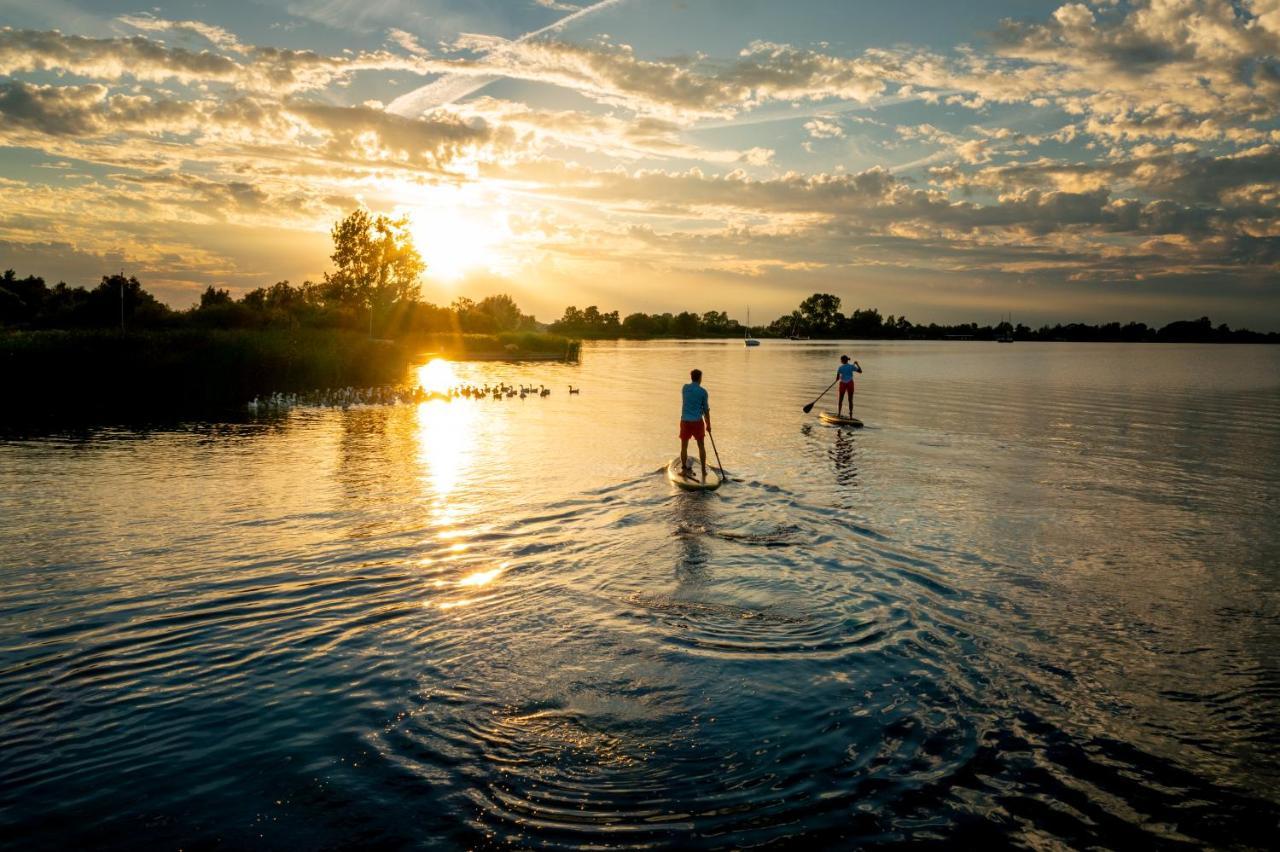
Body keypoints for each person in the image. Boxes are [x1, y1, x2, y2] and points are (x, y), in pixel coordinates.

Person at [679, 368, 711, 481]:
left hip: (685, 421)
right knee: (701, 446)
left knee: (684, 446)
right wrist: (708, 424)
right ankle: (703, 470)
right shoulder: (703, 392)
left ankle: (683, 467)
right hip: (697, 421)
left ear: (691, 377)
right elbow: (706, 410)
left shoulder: (684, 388)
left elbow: (690, 402)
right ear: (700, 378)